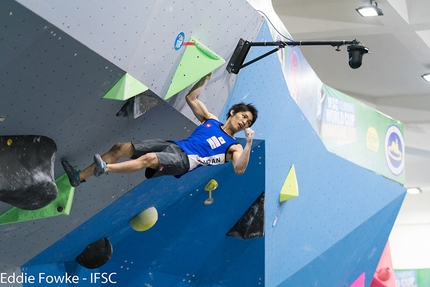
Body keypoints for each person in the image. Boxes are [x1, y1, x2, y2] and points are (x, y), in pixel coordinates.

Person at [62, 74, 258, 187]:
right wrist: (205, 79)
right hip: (175, 147)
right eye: (244, 117)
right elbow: (192, 98)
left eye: (248, 122)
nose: (244, 123)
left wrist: (248, 143)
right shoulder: (212, 121)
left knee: (148, 160)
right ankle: (78, 178)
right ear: (233, 112)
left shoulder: (233, 147)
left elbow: (239, 169)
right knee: (120, 148)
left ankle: (105, 168)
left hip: (185, 161)